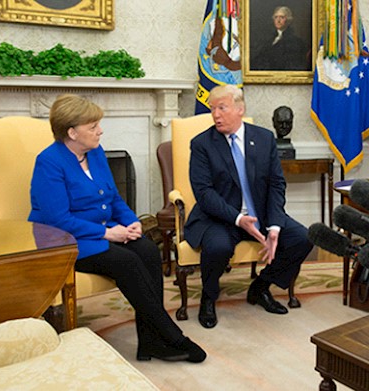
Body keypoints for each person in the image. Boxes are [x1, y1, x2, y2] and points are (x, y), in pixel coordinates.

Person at [29, 94, 206, 363]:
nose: (100, 131)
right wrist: (108, 234)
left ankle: (149, 343)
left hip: (104, 228)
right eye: (93, 127)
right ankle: (171, 335)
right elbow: (57, 219)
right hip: (66, 240)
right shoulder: (49, 162)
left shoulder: (96, 152)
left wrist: (131, 221)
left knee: (147, 250)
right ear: (72, 132)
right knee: (127, 262)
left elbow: (113, 197)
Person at [185, 85, 312, 329]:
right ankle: (209, 297)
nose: (216, 115)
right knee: (218, 247)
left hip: (260, 215)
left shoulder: (264, 139)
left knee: (302, 238)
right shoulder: (202, 144)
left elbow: (276, 183)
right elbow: (204, 193)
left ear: (240, 109)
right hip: (221, 217)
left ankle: (261, 287)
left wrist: (274, 225)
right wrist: (237, 218)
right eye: (213, 109)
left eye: (222, 108)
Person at [252, 6, 309, 71]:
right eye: (276, 17)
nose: (278, 20)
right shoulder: (269, 39)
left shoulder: (296, 42)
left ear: (288, 20)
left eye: (282, 17)